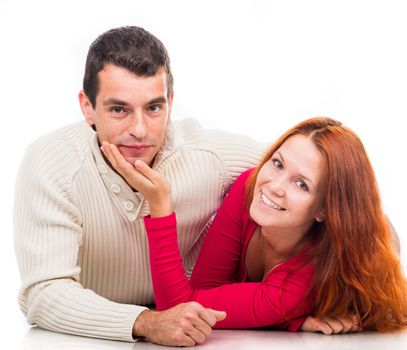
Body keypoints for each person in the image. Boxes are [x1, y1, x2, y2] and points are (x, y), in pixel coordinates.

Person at [13, 26, 364, 346]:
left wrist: (326, 297)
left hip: (205, 321)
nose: (139, 129)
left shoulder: (209, 155)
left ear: (171, 103)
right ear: (87, 107)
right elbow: (44, 292)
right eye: (119, 110)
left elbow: (348, 203)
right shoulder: (52, 163)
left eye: (153, 107)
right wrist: (146, 322)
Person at [101, 117, 407, 339]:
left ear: (325, 210)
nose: (274, 187)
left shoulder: (298, 284)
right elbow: (200, 295)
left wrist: (160, 205)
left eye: (301, 184)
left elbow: (178, 308)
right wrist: (289, 320)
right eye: (277, 163)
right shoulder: (249, 187)